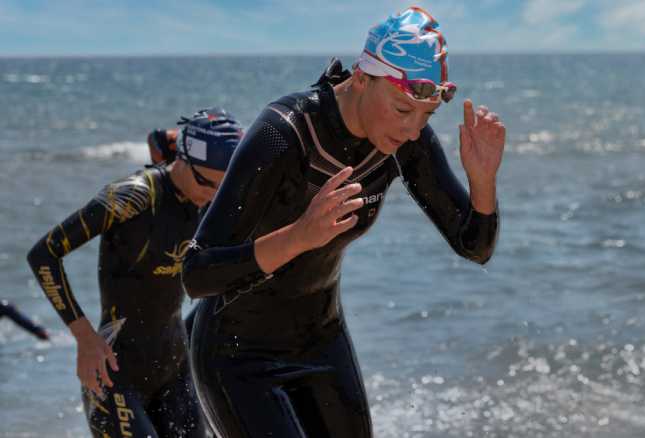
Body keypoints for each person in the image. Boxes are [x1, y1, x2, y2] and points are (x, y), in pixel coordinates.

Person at [182, 7, 505, 438]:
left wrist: (482, 182)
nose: (412, 130)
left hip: (321, 340)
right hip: (238, 355)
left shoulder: (402, 143)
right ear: (363, 77)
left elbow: (474, 246)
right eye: (402, 109)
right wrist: (300, 236)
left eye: (425, 116)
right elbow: (197, 274)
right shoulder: (285, 133)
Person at [27, 108, 243, 437]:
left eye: (221, 187)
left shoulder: (205, 196)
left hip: (174, 368)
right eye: (206, 182)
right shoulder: (132, 197)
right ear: (182, 160)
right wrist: (84, 338)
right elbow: (44, 254)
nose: (211, 196)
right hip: (114, 372)